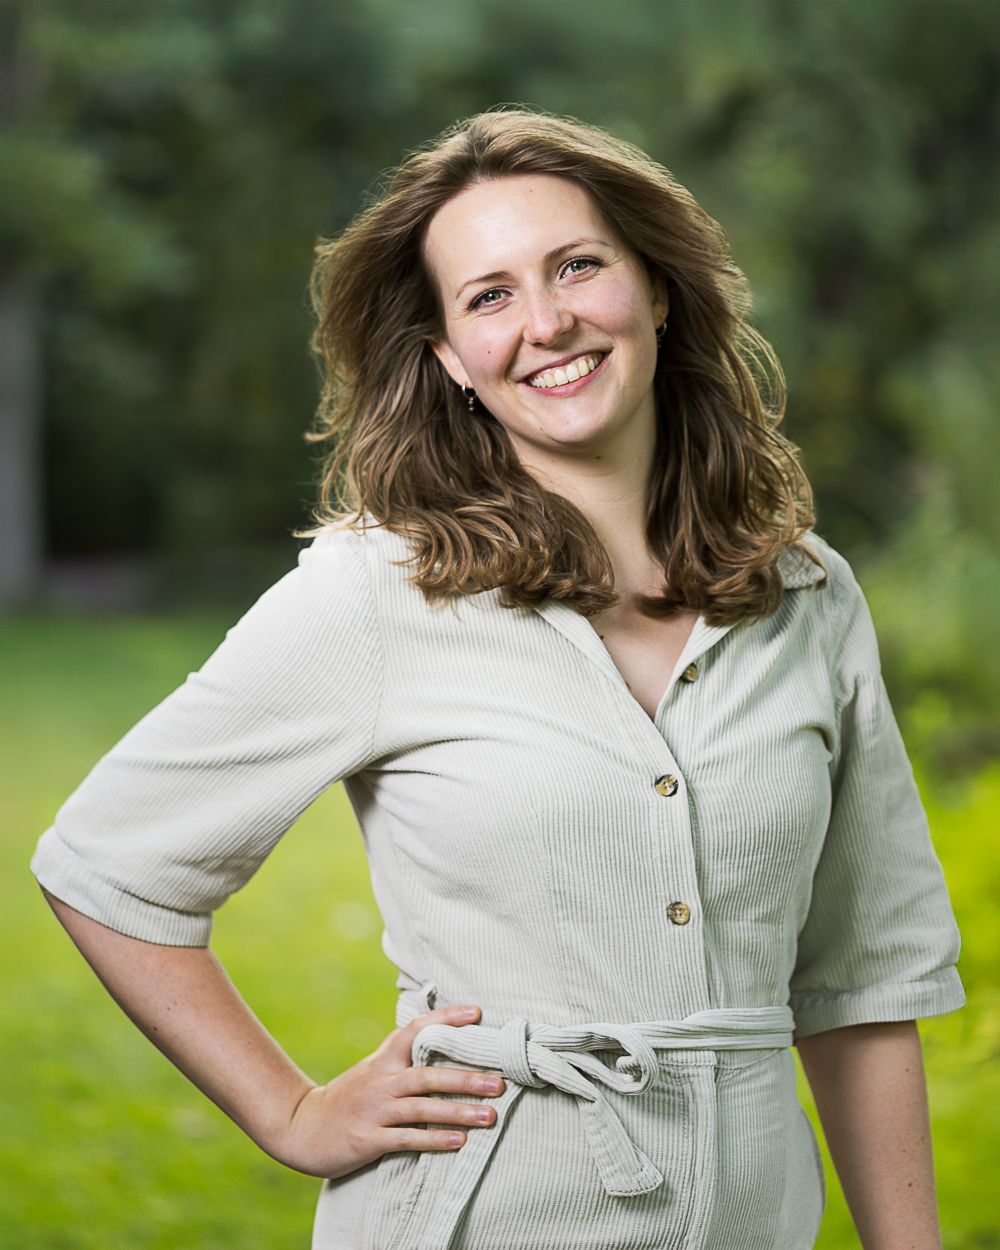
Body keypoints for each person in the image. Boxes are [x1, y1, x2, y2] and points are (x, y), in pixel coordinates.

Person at [30, 106, 964, 1250]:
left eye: (578, 266)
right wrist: (292, 1112)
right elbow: (107, 863)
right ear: (447, 359)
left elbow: (859, 979)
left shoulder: (808, 596)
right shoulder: (377, 592)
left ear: (656, 289)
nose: (548, 321)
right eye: (490, 296)